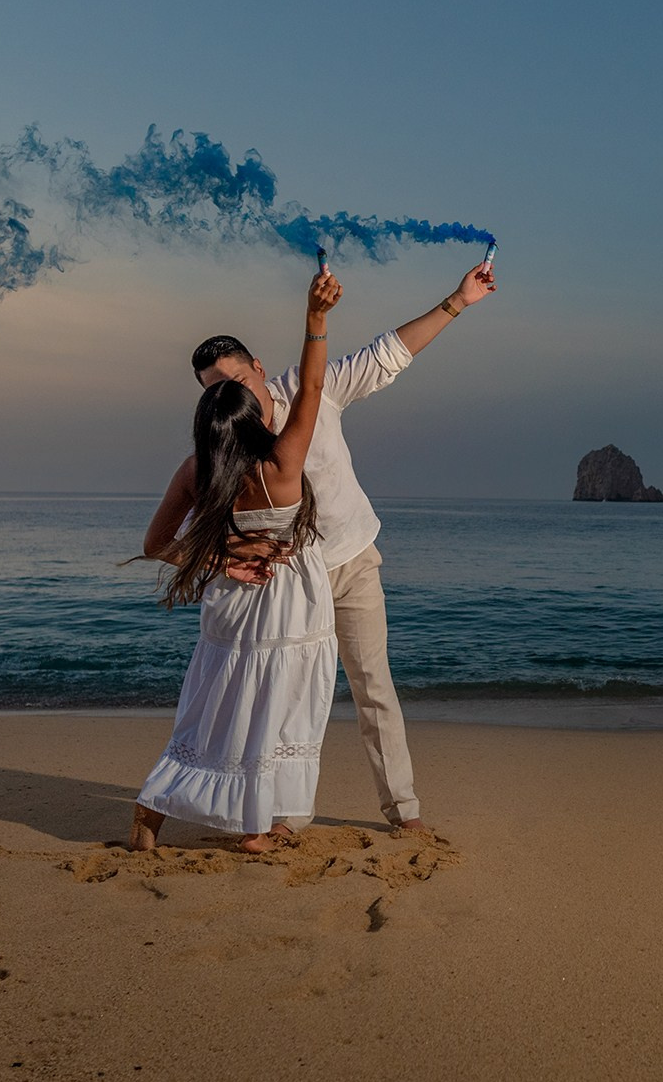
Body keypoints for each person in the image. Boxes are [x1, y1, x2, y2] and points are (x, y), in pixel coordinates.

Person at [190, 260, 497, 830]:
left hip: (351, 563)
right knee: (286, 701)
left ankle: (403, 811)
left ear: (258, 368)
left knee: (373, 688)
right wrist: (228, 560)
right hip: (286, 586)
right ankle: (282, 815)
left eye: (238, 382)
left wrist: (458, 300)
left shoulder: (313, 391)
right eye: (216, 393)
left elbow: (389, 353)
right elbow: (201, 531)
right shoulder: (224, 445)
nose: (234, 397)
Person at [128, 268, 340, 854]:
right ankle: (256, 828)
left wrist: (221, 556)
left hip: (232, 603)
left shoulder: (197, 470)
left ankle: (153, 810)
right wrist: (316, 319)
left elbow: (156, 545)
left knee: (215, 707)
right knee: (279, 705)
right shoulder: (282, 463)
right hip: (292, 599)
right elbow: (314, 390)